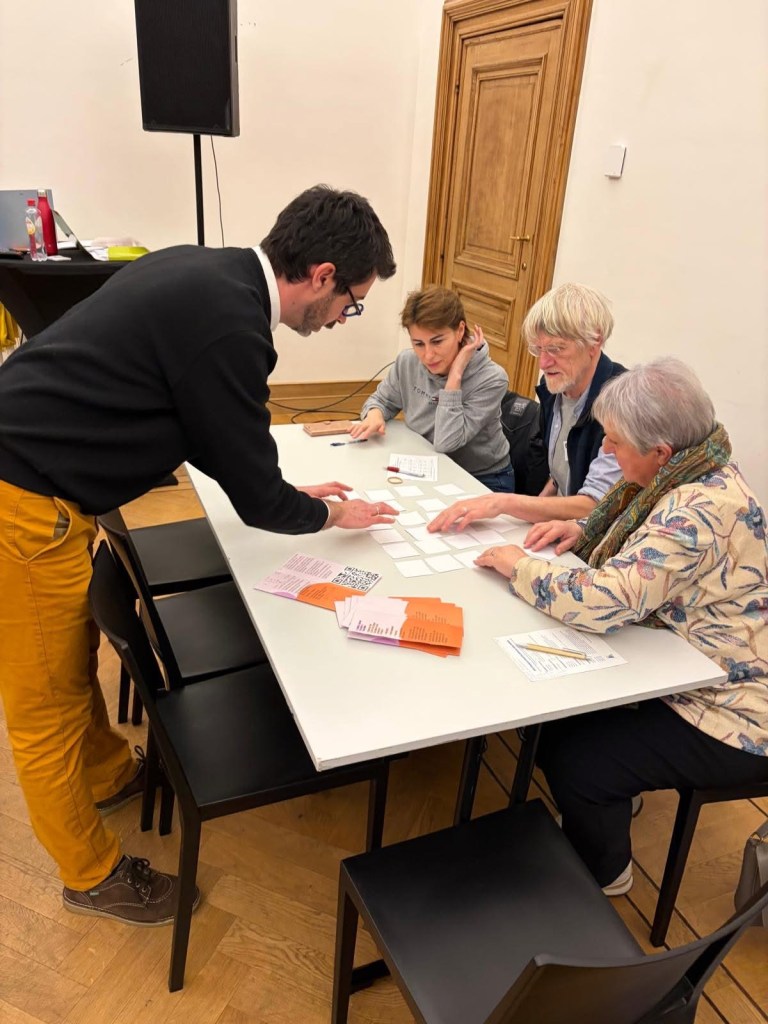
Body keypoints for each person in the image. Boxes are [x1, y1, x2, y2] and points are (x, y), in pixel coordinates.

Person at [0, 184, 398, 926]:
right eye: (351, 301)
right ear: (319, 275)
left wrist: (286, 484)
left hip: (38, 487)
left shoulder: (209, 273)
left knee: (69, 662)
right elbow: (252, 494)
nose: (344, 316)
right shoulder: (235, 328)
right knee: (45, 707)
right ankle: (88, 874)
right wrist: (331, 513)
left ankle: (109, 772)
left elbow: (211, 428)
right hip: (20, 500)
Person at [474, 357, 768, 895]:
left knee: (578, 761)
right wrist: (580, 526)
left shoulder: (697, 510)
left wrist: (518, 565)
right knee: (554, 720)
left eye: (615, 443)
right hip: (694, 659)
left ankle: (605, 871)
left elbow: (605, 601)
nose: (607, 451)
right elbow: (647, 544)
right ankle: (616, 799)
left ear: (660, 452)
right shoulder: (700, 465)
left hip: (739, 711)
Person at [428, 282, 625, 531]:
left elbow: (595, 504)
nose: (543, 362)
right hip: (564, 527)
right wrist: (526, 523)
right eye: (538, 349)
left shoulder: (622, 405)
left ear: (595, 340)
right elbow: (559, 478)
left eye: (556, 349)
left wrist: (502, 502)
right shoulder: (555, 388)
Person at [350, 285, 513, 491]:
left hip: (482, 478)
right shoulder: (407, 362)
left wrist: (455, 376)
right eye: (418, 344)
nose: (428, 355)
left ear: (460, 330)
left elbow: (446, 442)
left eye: (437, 341)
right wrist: (374, 414)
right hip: (426, 465)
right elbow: (381, 401)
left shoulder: (492, 379)